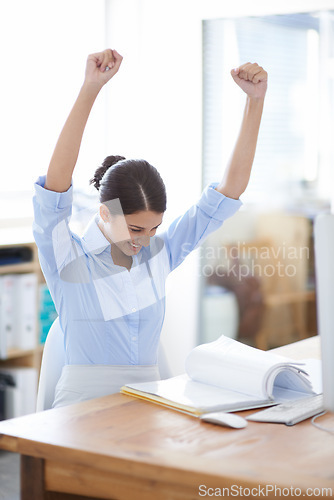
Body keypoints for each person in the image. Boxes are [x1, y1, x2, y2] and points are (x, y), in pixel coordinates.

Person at [33, 49, 267, 408]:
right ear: (105, 212)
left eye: (154, 228)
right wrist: (90, 88)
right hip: (83, 406)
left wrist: (255, 103)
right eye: (135, 228)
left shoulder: (159, 254)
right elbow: (54, 191)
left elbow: (226, 194)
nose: (144, 240)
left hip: (149, 403)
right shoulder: (67, 257)